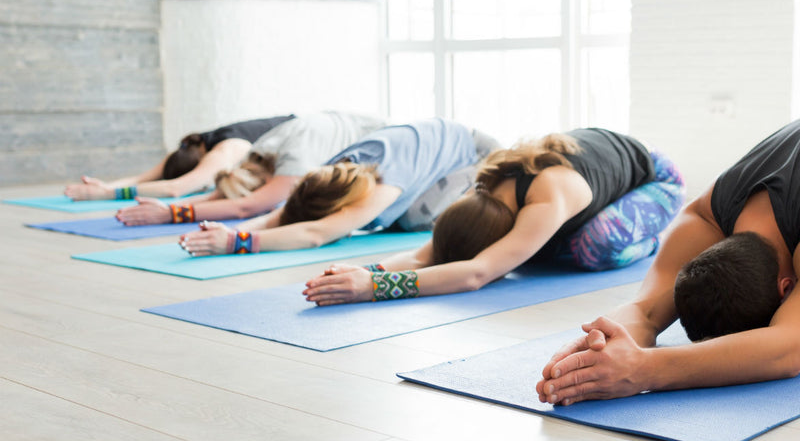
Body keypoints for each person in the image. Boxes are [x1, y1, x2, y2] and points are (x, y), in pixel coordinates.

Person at [532, 112, 800, 406]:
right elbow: (647, 312)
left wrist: (643, 371)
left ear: (789, 287)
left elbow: (788, 350)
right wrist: (591, 350)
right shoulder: (707, 216)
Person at [301, 127, 686, 305]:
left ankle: (648, 239)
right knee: (536, 252)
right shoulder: (483, 186)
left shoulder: (548, 197)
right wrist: (368, 271)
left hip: (656, 179)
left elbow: (476, 272)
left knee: (592, 248)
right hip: (588, 177)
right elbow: (428, 254)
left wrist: (373, 291)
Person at [177, 117, 500, 256]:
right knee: (391, 221)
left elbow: (317, 233)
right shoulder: (333, 171)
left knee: (411, 220)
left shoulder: (384, 184)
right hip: (428, 153)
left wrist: (237, 243)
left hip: (478, 156)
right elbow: (284, 215)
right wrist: (229, 231)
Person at [114, 111, 387, 226]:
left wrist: (171, 213)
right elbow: (223, 196)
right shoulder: (259, 152)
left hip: (386, 145)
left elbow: (247, 207)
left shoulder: (292, 158)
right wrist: (169, 208)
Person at [64, 114, 295, 201]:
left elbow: (176, 188)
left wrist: (108, 194)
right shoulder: (189, 147)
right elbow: (143, 178)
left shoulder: (225, 150)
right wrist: (105, 186)